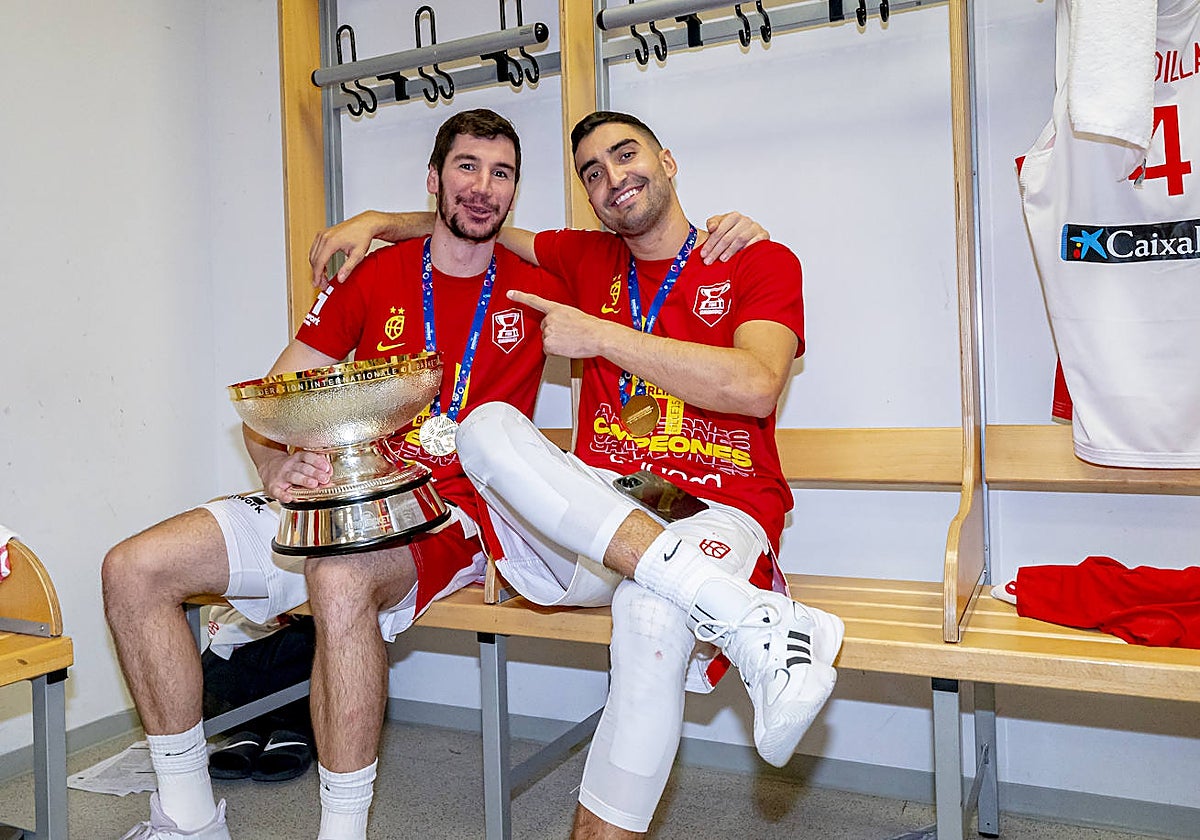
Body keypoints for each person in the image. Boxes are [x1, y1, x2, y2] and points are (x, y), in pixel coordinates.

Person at [103, 108, 766, 840]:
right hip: (345, 495)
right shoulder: (377, 274)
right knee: (133, 568)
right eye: (466, 168)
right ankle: (186, 819)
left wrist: (735, 236)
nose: (483, 187)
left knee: (340, 578)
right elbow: (275, 398)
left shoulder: (544, 281)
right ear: (435, 179)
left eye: (502, 173)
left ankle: (342, 832)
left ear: (516, 194)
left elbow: (655, 262)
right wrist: (278, 463)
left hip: (453, 513)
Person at [309, 110, 845, 839]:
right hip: (601, 514)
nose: (613, 178)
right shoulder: (585, 258)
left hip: (710, 510)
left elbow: (755, 384)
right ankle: (748, 618)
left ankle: (707, 606)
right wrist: (380, 220)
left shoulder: (756, 260)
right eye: (592, 172)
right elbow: (473, 218)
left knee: (650, 612)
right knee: (486, 428)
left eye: (626, 156)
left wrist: (601, 338)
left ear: (668, 160)